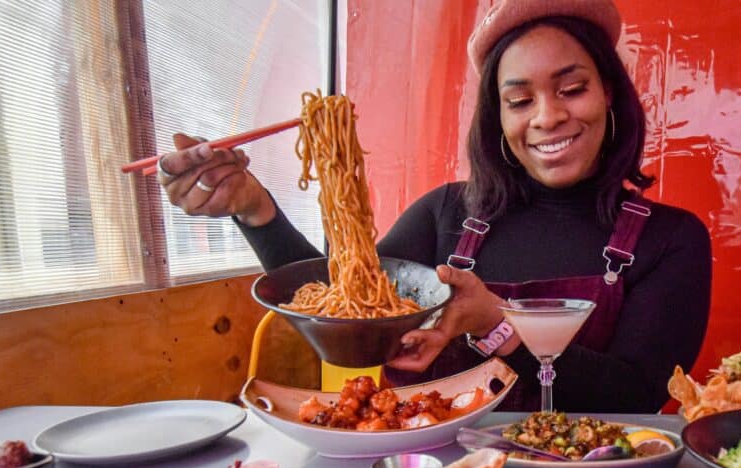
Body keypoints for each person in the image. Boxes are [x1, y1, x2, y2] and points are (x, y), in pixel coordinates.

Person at [155, 0, 711, 413]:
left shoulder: (670, 241)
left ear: (608, 92)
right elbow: (346, 312)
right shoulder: (447, 214)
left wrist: (497, 324)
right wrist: (255, 209)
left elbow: (634, 397)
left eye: (571, 89)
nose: (546, 117)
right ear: (498, 117)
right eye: (519, 100)